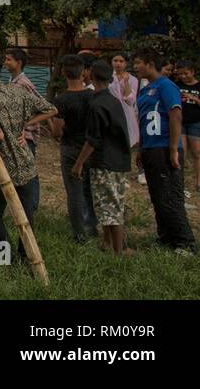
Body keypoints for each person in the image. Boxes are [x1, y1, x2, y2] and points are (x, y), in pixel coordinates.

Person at [0, 49, 56, 265]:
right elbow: (51, 109)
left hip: (1, 167)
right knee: (26, 217)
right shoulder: (15, 92)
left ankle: (7, 259)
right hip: (25, 162)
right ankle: (28, 258)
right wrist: (25, 125)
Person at [133, 49, 196, 252]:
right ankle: (166, 237)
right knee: (157, 195)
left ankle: (185, 242)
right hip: (150, 148)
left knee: (170, 195)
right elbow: (142, 120)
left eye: (138, 62)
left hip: (164, 147)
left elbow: (175, 115)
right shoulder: (144, 90)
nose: (135, 67)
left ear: (150, 64)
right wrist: (141, 148)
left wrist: (173, 148)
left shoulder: (166, 86)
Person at [72, 58, 132, 255]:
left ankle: (118, 251)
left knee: (111, 209)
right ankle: (107, 244)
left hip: (105, 162)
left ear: (89, 74)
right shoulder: (113, 101)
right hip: (119, 160)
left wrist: (79, 163)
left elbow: (93, 139)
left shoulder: (97, 104)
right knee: (109, 205)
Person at [48, 54, 97, 242]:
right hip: (91, 147)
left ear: (63, 73)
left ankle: (79, 234)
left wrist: (49, 121)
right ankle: (93, 226)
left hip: (70, 148)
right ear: (83, 73)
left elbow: (58, 132)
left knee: (74, 192)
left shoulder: (62, 99)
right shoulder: (93, 96)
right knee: (91, 189)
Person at [4, 47, 43, 217]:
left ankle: (31, 207)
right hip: (16, 136)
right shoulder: (12, 82)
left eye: (9, 59)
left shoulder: (24, 84)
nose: (6, 62)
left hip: (25, 137)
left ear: (18, 63)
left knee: (28, 173)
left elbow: (42, 107)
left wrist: (26, 125)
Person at [175, 59, 200, 193]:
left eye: (186, 73)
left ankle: (199, 184)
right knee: (181, 152)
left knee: (197, 153)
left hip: (196, 122)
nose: (183, 76)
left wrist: (195, 98)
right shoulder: (176, 85)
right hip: (180, 122)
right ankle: (179, 182)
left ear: (192, 72)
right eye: (180, 74)